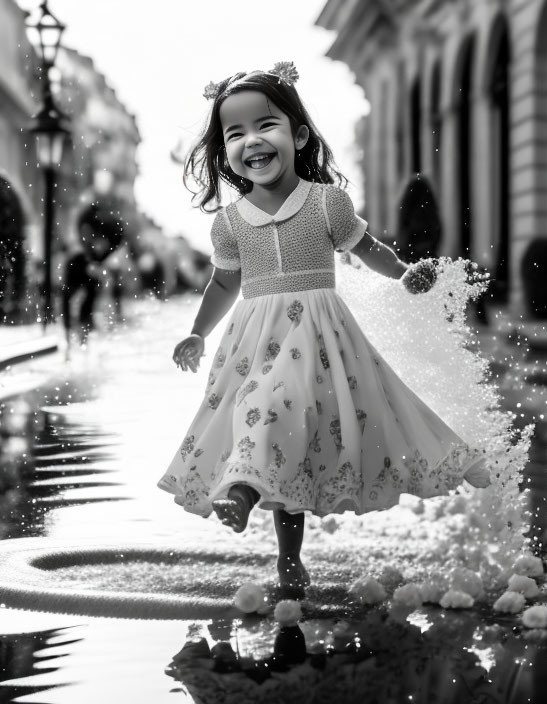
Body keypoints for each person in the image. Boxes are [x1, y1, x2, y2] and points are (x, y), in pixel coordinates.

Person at [157, 63, 490, 598]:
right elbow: (223, 283)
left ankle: (446, 457)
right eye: (234, 133)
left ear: (299, 135)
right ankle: (275, 540)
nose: (251, 141)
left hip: (319, 337)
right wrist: (197, 331)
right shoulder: (230, 221)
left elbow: (367, 249)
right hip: (256, 339)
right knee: (269, 417)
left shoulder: (325, 202)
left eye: (265, 125)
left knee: (292, 410)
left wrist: (403, 274)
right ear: (224, 152)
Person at [61, 203, 125, 343]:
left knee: (92, 293)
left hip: (91, 261)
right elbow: (67, 295)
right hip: (82, 263)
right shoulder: (77, 258)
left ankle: (83, 331)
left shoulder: (106, 238)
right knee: (75, 293)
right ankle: (77, 333)